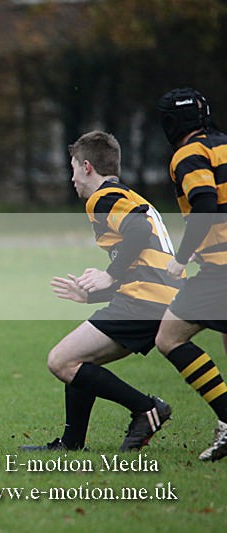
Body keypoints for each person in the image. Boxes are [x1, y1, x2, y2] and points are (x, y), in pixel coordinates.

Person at [22, 131, 181, 452]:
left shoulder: (102, 199)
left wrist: (110, 275)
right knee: (78, 359)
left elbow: (139, 232)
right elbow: (145, 258)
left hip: (145, 301)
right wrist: (93, 295)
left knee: (60, 361)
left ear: (87, 166)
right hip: (160, 298)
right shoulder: (128, 197)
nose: (72, 179)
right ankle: (71, 443)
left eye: (73, 169)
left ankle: (147, 408)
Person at [155, 87, 227, 461]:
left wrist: (181, 258)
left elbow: (204, 202)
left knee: (169, 337)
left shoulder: (188, 154)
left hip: (222, 269)